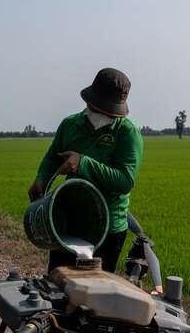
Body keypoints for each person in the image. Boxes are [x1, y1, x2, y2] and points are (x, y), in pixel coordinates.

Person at [29, 68, 143, 273]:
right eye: (103, 109)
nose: (107, 115)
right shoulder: (70, 125)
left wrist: (83, 163)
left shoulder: (127, 134)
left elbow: (125, 181)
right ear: (90, 102)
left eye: (111, 112)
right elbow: (52, 157)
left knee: (97, 296)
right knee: (58, 284)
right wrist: (41, 178)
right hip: (67, 223)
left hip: (107, 229)